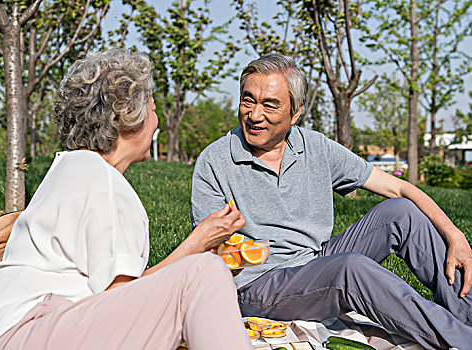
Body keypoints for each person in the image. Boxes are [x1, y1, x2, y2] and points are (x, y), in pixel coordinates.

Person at [190, 54, 472, 349]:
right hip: (257, 285)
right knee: (350, 270)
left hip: (316, 261)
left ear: (295, 112)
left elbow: (400, 189)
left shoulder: (315, 147)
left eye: (270, 104)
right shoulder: (216, 160)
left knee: (401, 213)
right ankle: (463, 340)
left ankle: (468, 314)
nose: (255, 115)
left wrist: (455, 235)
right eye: (248, 101)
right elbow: (205, 246)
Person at [0, 49, 252, 350]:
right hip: (32, 334)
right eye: (153, 108)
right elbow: (124, 300)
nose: (157, 121)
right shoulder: (101, 182)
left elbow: (118, 301)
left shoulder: (73, 168)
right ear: (129, 117)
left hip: (19, 333)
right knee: (204, 274)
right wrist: (195, 247)